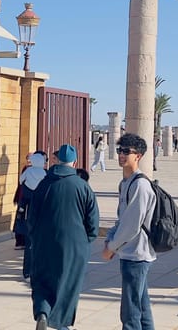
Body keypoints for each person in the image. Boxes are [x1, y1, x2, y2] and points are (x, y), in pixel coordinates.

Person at [29, 144, 99, 330]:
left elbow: (32, 217)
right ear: (74, 163)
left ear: (57, 160)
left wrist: (35, 237)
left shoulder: (44, 184)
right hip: (74, 245)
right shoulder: (82, 187)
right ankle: (61, 323)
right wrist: (87, 240)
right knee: (68, 283)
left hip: (44, 242)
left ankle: (43, 312)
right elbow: (93, 222)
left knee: (42, 280)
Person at [102, 133, 157, 330]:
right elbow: (122, 219)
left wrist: (112, 247)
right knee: (141, 306)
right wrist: (110, 239)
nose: (121, 155)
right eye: (120, 150)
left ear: (138, 156)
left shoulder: (140, 185)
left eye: (126, 151)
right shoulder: (126, 183)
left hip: (137, 254)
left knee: (130, 312)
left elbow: (132, 225)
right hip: (130, 252)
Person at [13, 151, 46, 278]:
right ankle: (39, 269)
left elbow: (21, 181)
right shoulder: (45, 174)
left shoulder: (27, 172)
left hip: (28, 212)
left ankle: (27, 271)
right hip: (41, 212)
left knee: (29, 245)